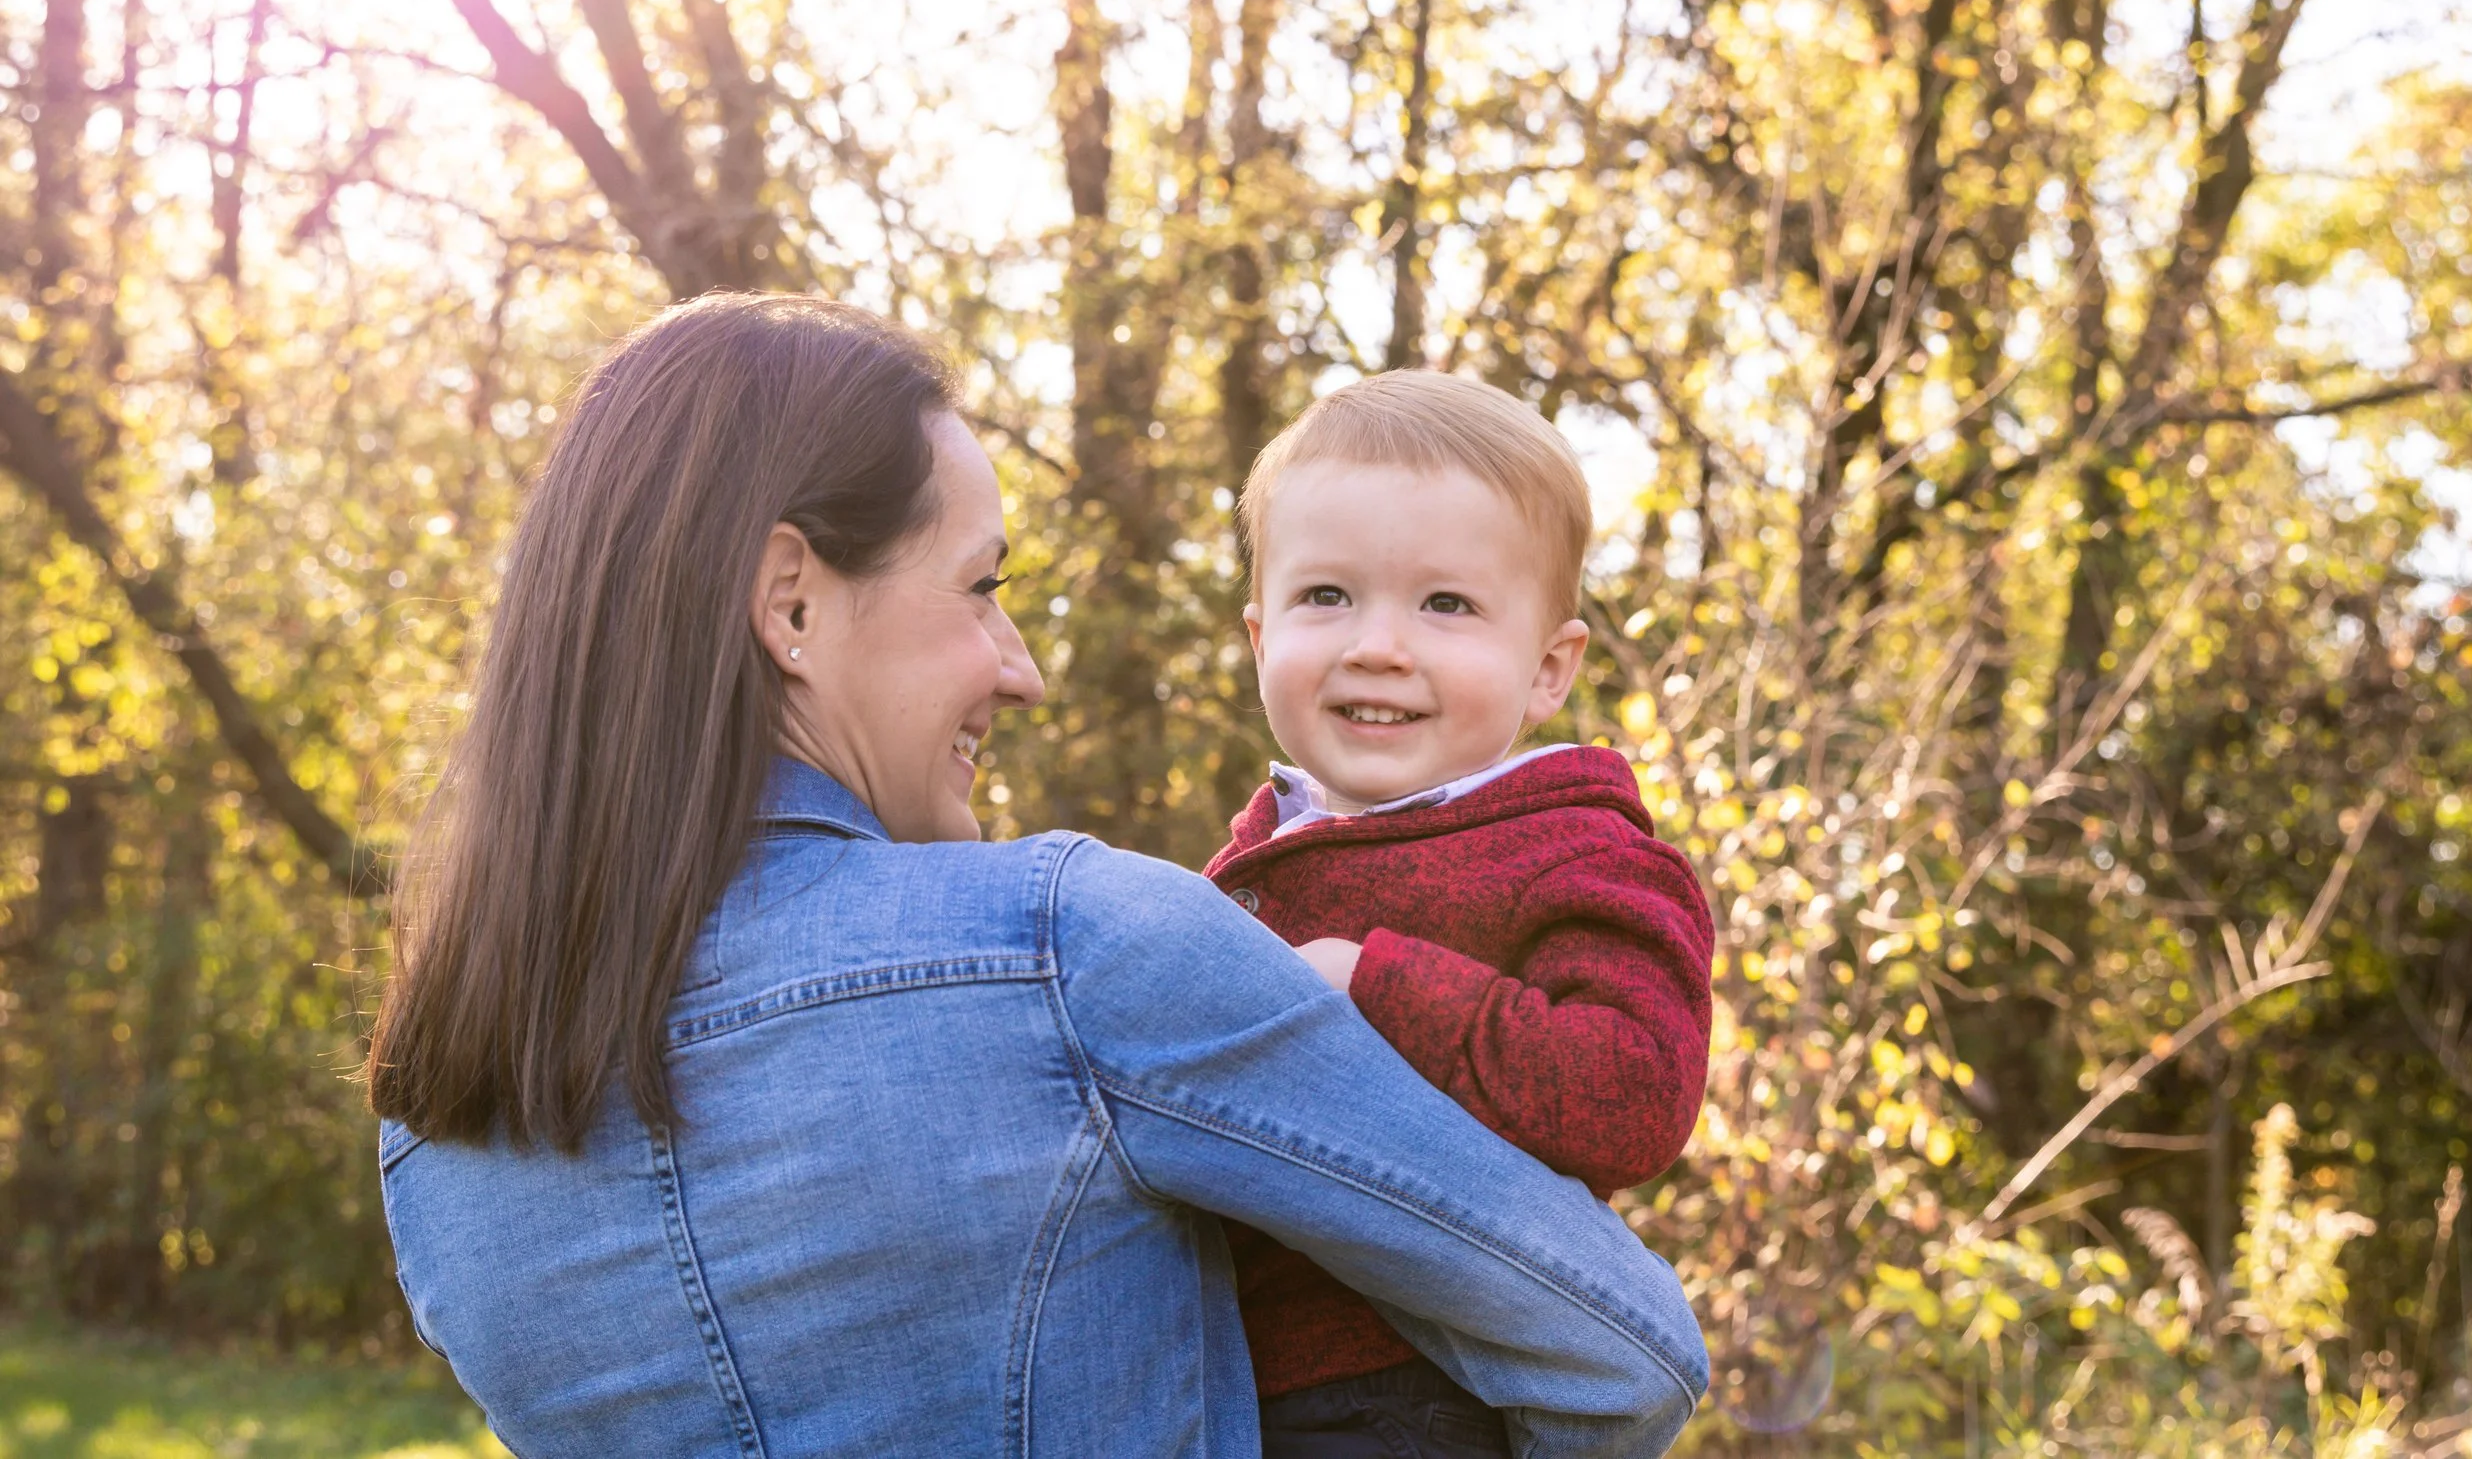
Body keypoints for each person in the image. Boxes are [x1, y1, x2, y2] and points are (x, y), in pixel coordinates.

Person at [365, 294, 1708, 1458]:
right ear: (790, 602)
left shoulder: (442, 1116)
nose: (1022, 665)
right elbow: (1623, 1350)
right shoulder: (1072, 950)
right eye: (982, 585)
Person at [1204, 372, 1716, 1458]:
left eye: (1445, 604)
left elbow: (1633, 1091)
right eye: (1326, 596)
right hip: (1211, 1380)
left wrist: (1376, 983)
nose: (1378, 644)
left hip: (1410, 1394)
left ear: (1546, 668)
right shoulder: (1253, 860)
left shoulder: (1576, 846)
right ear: (1259, 635)